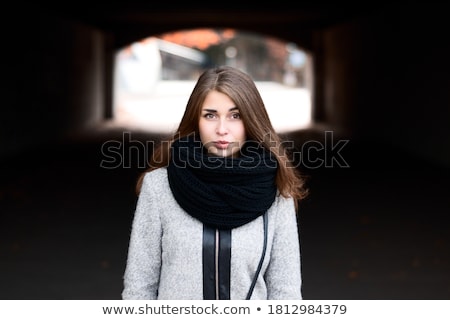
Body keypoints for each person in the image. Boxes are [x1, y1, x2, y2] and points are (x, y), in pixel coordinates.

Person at [122, 65, 308, 300]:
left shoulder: (277, 191)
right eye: (210, 115)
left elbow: (286, 294)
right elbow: (139, 289)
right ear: (196, 120)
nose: (222, 129)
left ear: (250, 120)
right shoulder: (159, 186)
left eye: (235, 115)